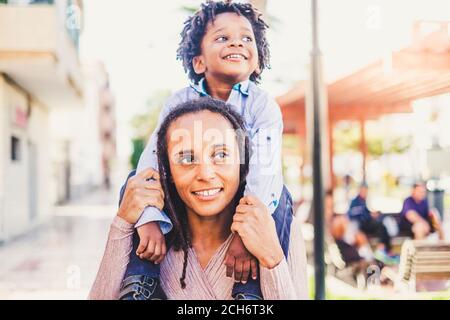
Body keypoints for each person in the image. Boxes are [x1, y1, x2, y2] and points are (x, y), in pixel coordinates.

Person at [122, 1, 293, 300]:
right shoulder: (178, 103)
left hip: (245, 197)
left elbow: (264, 171)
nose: (237, 41)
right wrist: (148, 218)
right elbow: (153, 160)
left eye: (246, 37)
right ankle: (140, 279)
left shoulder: (262, 105)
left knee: (282, 198)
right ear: (199, 62)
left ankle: (249, 292)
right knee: (133, 180)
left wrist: (244, 236)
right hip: (192, 197)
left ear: (256, 62)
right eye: (222, 37)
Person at [89, 98, 308, 299]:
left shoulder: (279, 232)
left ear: (242, 164)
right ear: (167, 171)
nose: (205, 173)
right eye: (186, 158)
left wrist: (272, 259)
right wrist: (122, 223)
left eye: (221, 155)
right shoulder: (144, 237)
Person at [347, 184, 398, 265]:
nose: (365, 193)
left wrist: (373, 214)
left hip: (366, 223)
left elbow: (366, 213)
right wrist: (369, 216)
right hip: (361, 225)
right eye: (364, 191)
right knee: (379, 225)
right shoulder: (355, 201)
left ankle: (386, 250)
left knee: (382, 226)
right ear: (360, 191)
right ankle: (383, 249)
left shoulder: (363, 201)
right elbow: (356, 215)